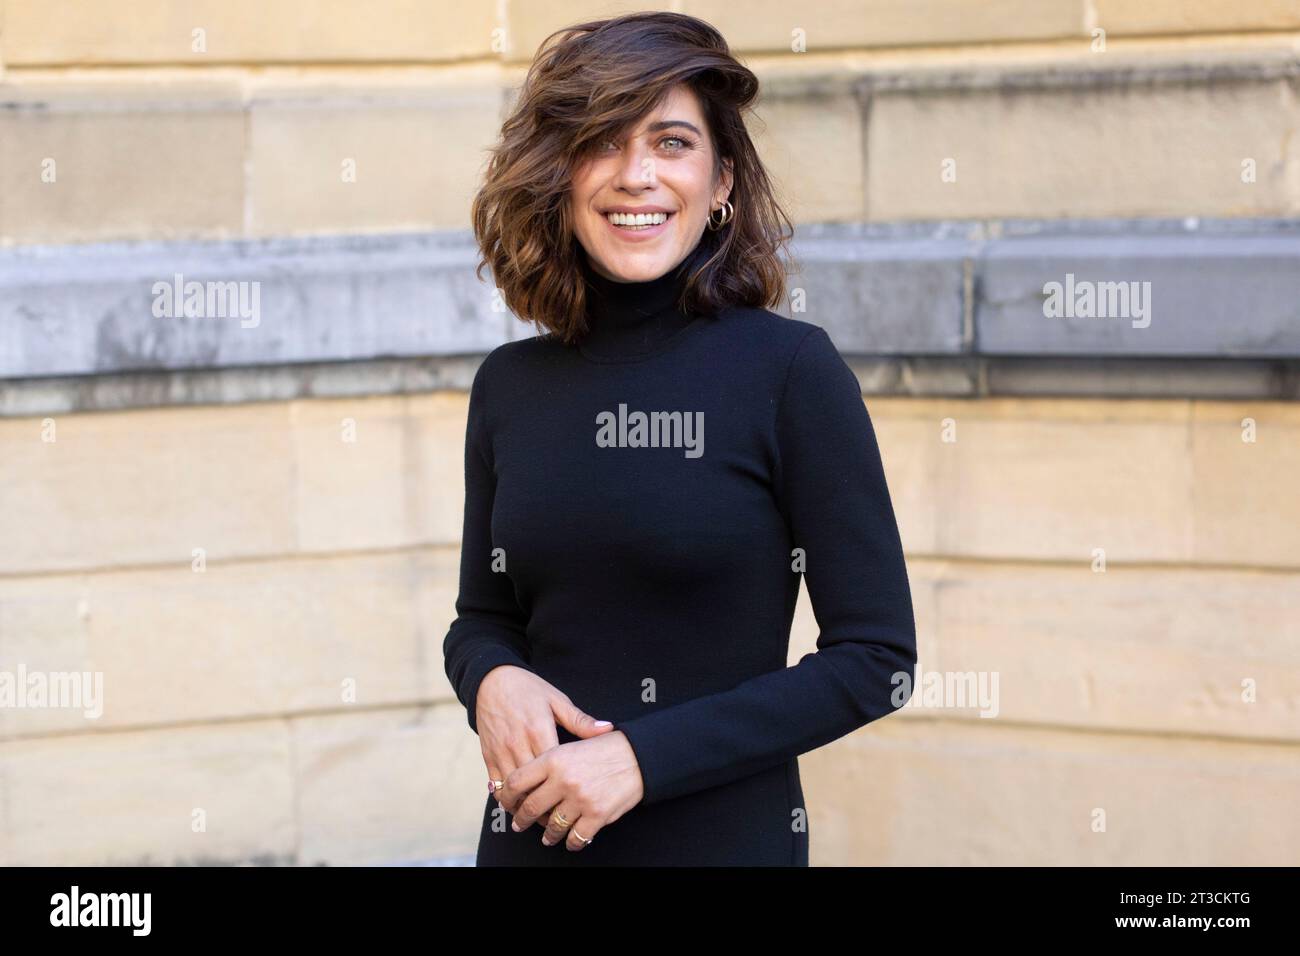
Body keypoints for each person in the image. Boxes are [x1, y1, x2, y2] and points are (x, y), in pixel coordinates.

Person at [444, 11, 917, 866]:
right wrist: (489, 678)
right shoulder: (509, 386)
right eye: (603, 143)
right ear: (560, 174)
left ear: (721, 178)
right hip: (528, 845)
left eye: (670, 143)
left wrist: (641, 759)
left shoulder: (789, 372)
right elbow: (483, 617)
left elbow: (876, 658)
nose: (637, 177)